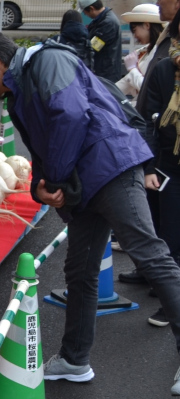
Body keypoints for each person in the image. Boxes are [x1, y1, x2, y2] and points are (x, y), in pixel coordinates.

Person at [0, 31, 180, 395]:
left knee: (151, 256)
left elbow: (71, 114)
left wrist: (59, 181)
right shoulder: (20, 87)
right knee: (80, 270)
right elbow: (43, 147)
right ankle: (75, 359)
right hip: (85, 182)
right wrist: (42, 186)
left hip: (109, 167)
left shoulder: (47, 60)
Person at [118, 0, 179, 282]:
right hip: (161, 151)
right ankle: (154, 275)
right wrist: (150, 165)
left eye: (136, 27)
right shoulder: (163, 59)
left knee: (171, 228)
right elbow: (152, 109)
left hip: (166, 151)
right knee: (160, 222)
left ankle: (168, 290)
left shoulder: (165, 53)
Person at [116, 4, 165, 103]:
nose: (135, 36)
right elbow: (127, 82)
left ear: (147, 25)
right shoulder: (146, 50)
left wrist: (132, 69)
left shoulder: (162, 51)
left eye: (135, 31)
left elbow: (150, 88)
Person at [80, 0, 125, 82]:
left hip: (106, 73)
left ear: (92, 8)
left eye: (85, 12)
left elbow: (94, 47)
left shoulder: (107, 23)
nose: (85, 15)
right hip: (104, 70)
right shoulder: (102, 20)